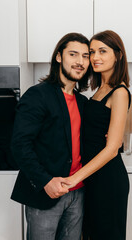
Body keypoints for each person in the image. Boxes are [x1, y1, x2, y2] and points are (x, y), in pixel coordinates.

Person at [10, 32, 91, 240]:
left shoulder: (83, 103)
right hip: (46, 193)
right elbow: (20, 145)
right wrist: (45, 181)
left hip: (78, 192)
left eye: (85, 56)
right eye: (73, 54)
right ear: (59, 57)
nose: (80, 62)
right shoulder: (38, 95)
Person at [64, 30, 131, 240]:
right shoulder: (100, 90)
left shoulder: (119, 92)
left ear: (118, 55)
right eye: (92, 52)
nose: (95, 58)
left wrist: (74, 179)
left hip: (108, 180)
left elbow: (112, 148)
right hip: (93, 178)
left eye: (103, 51)